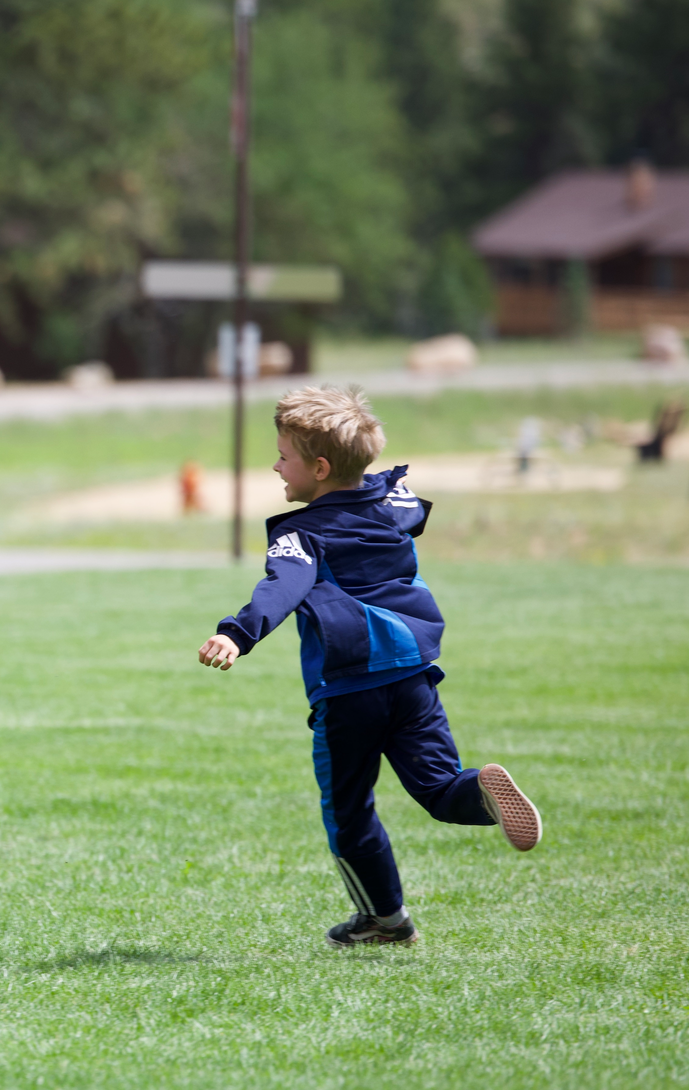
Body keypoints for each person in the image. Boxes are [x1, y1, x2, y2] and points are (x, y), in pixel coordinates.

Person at [197, 386, 543, 945]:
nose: (276, 465)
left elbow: (281, 587)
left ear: (320, 466)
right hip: (413, 675)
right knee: (438, 789)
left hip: (349, 689)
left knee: (349, 814)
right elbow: (401, 499)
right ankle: (480, 790)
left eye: (284, 455)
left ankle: (386, 919)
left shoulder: (301, 533)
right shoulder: (390, 506)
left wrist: (236, 635)